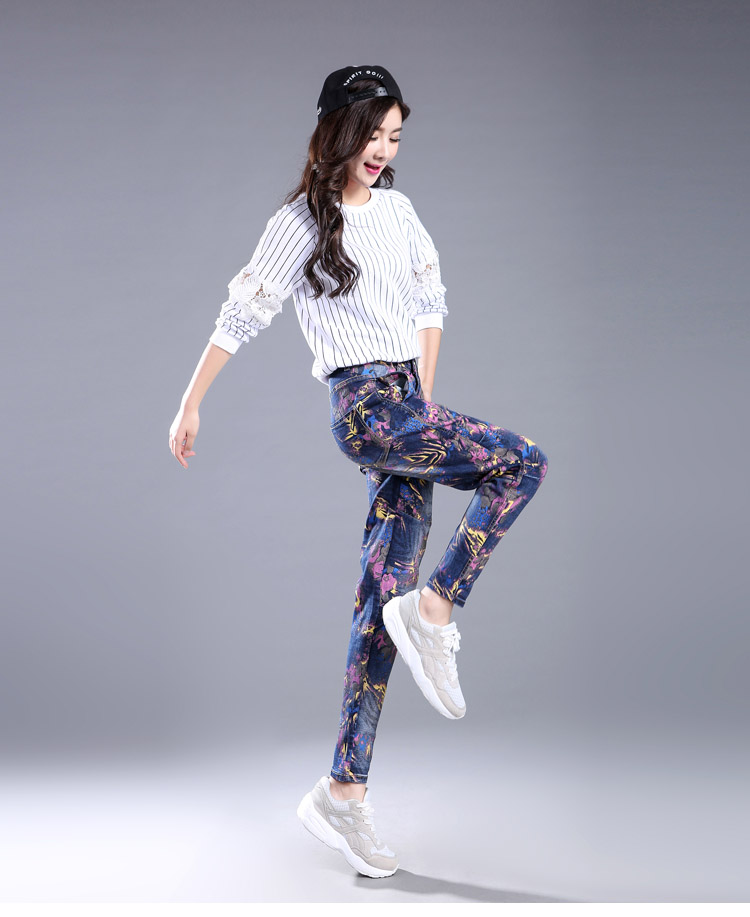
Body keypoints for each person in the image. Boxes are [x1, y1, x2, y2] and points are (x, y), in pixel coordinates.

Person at [169, 65, 548, 879]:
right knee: (523, 461)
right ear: (338, 131)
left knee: (380, 606)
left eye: (395, 137)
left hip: (404, 407)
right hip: (365, 408)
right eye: (372, 133)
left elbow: (429, 302)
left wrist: (426, 409)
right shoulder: (301, 221)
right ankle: (437, 608)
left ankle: (343, 790)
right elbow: (244, 309)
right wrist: (190, 402)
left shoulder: (401, 213)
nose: (383, 150)